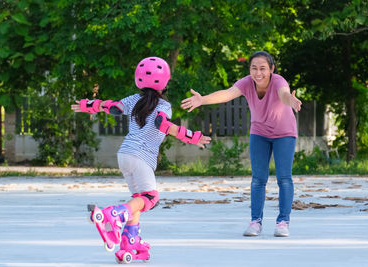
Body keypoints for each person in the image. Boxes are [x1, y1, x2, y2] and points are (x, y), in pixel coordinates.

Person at [71, 57, 211, 263]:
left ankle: (130, 241)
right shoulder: (164, 105)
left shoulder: (133, 100)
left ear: (138, 80)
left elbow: (113, 107)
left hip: (125, 155)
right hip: (141, 157)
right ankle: (116, 214)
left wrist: (90, 105)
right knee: (151, 198)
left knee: (138, 198)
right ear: (165, 83)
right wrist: (192, 136)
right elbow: (162, 124)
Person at [181, 51, 301, 237]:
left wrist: (291, 101)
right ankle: (256, 222)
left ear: (271, 69)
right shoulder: (246, 83)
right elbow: (227, 94)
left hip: (284, 134)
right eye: (254, 68)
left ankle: (283, 222)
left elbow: (284, 94)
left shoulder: (278, 81)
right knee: (258, 179)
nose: (258, 72)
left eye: (262, 68)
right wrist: (202, 100)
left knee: (284, 178)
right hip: (259, 133)